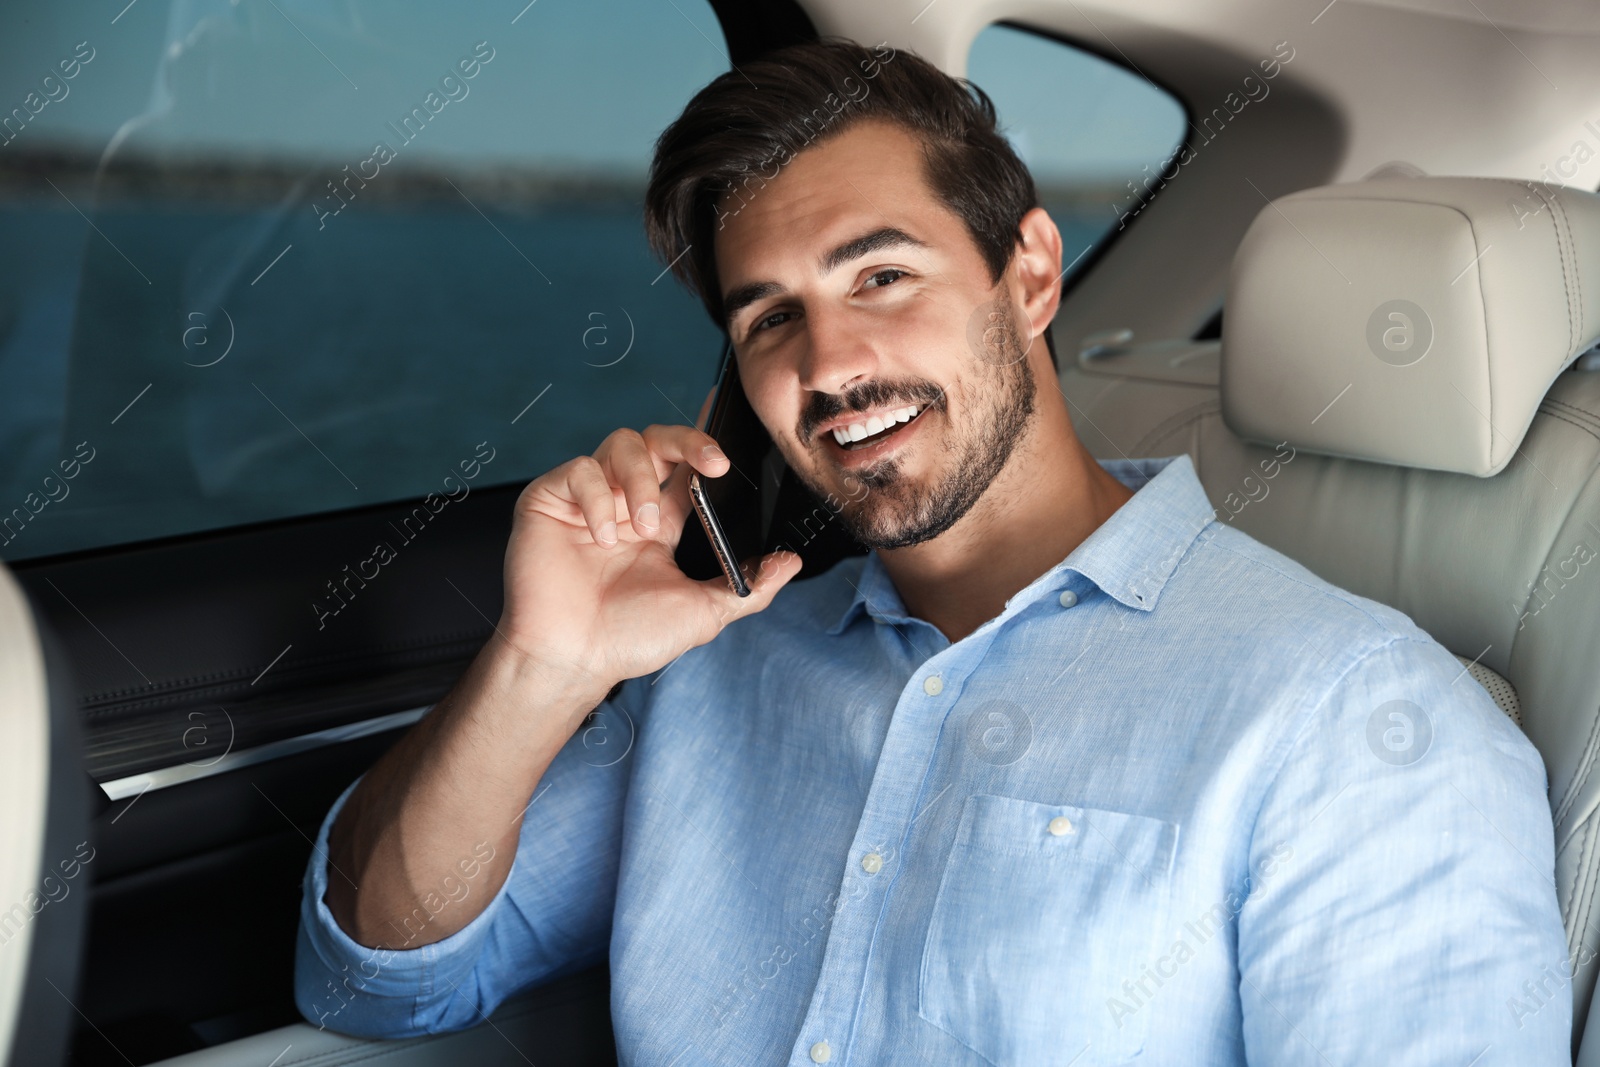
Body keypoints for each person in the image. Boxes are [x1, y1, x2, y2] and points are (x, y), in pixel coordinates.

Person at [294, 38, 1569, 1065]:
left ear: (1027, 277)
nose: (829, 365)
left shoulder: (1356, 720)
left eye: (882, 276)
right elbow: (383, 977)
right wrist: (542, 662)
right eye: (770, 317)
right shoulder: (725, 664)